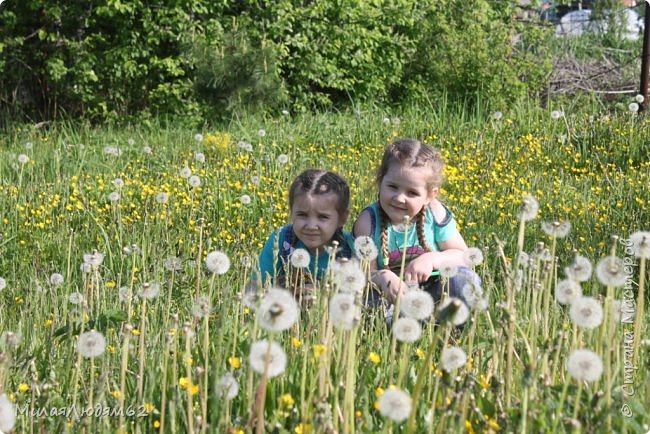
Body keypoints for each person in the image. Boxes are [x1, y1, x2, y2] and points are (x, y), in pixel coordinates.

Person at [353, 138, 478, 308]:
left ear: (429, 195)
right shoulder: (368, 221)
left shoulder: (435, 214)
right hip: (390, 298)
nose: (399, 198)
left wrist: (433, 259)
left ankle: (449, 330)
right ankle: (386, 330)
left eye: (411, 192)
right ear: (380, 182)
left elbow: (464, 256)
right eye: (392, 187)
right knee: (360, 299)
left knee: (464, 280)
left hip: (434, 294)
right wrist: (382, 276)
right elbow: (364, 272)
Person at [254, 169, 356, 301]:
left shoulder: (350, 250)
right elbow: (256, 286)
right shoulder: (281, 241)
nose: (311, 225)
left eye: (323, 217)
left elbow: (358, 297)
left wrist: (322, 296)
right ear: (291, 212)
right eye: (302, 215)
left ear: (342, 218)